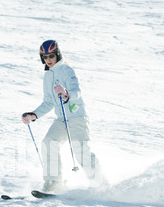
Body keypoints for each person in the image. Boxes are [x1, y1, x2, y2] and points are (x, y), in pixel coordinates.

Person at [22, 40, 104, 193]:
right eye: (45, 57)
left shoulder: (66, 70)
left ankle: (100, 183)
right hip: (61, 119)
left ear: (57, 54)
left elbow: (76, 91)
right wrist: (34, 115)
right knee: (48, 142)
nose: (48, 60)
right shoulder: (47, 77)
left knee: (80, 149)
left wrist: (67, 94)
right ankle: (54, 182)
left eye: (51, 56)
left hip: (77, 116)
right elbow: (48, 102)